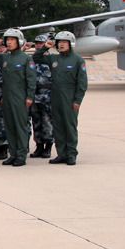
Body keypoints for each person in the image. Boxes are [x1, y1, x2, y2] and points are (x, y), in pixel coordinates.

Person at [33, 31, 88, 165]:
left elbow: (82, 83)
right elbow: (36, 58)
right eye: (59, 42)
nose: (61, 45)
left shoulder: (78, 60)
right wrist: (46, 46)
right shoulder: (54, 59)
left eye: (64, 42)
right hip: (55, 98)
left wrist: (77, 100)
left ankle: (71, 154)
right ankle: (61, 154)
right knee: (57, 127)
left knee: (69, 126)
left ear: (70, 43)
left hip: (69, 99)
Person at [0, 29, 36, 166]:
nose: (9, 42)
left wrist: (30, 97)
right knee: (9, 126)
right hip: (7, 97)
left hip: (20, 97)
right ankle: (13, 154)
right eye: (7, 40)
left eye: (12, 39)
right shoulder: (5, 58)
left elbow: (31, 80)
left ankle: (21, 155)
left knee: (20, 127)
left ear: (19, 41)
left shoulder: (26, 59)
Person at [30, 34, 54, 159]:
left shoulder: (52, 60)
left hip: (47, 97)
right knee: (36, 123)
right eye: (37, 43)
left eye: (41, 43)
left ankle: (48, 147)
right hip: (34, 96)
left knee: (47, 122)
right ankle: (39, 146)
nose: (39, 45)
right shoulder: (33, 59)